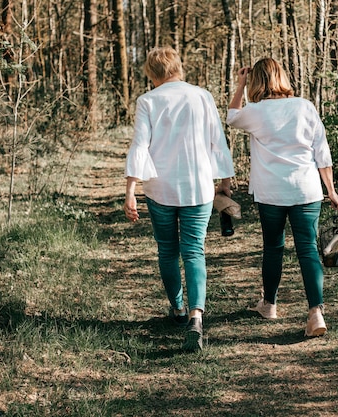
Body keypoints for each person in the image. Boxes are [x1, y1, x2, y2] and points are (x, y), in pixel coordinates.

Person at [124, 47, 235, 351]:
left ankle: (178, 309)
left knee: (167, 251)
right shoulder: (202, 96)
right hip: (198, 188)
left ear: (152, 73)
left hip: (160, 190)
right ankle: (196, 317)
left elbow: (140, 147)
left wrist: (131, 190)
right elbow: (217, 140)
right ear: (177, 67)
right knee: (194, 251)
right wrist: (225, 180)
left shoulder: (147, 101)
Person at [226, 58, 338, 337]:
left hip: (271, 192)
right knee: (308, 249)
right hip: (306, 190)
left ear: (257, 81)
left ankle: (269, 305)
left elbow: (231, 117)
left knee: (273, 248)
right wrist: (331, 189)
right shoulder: (304, 106)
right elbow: (321, 152)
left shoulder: (255, 111)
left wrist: (240, 83)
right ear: (281, 77)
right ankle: (315, 312)